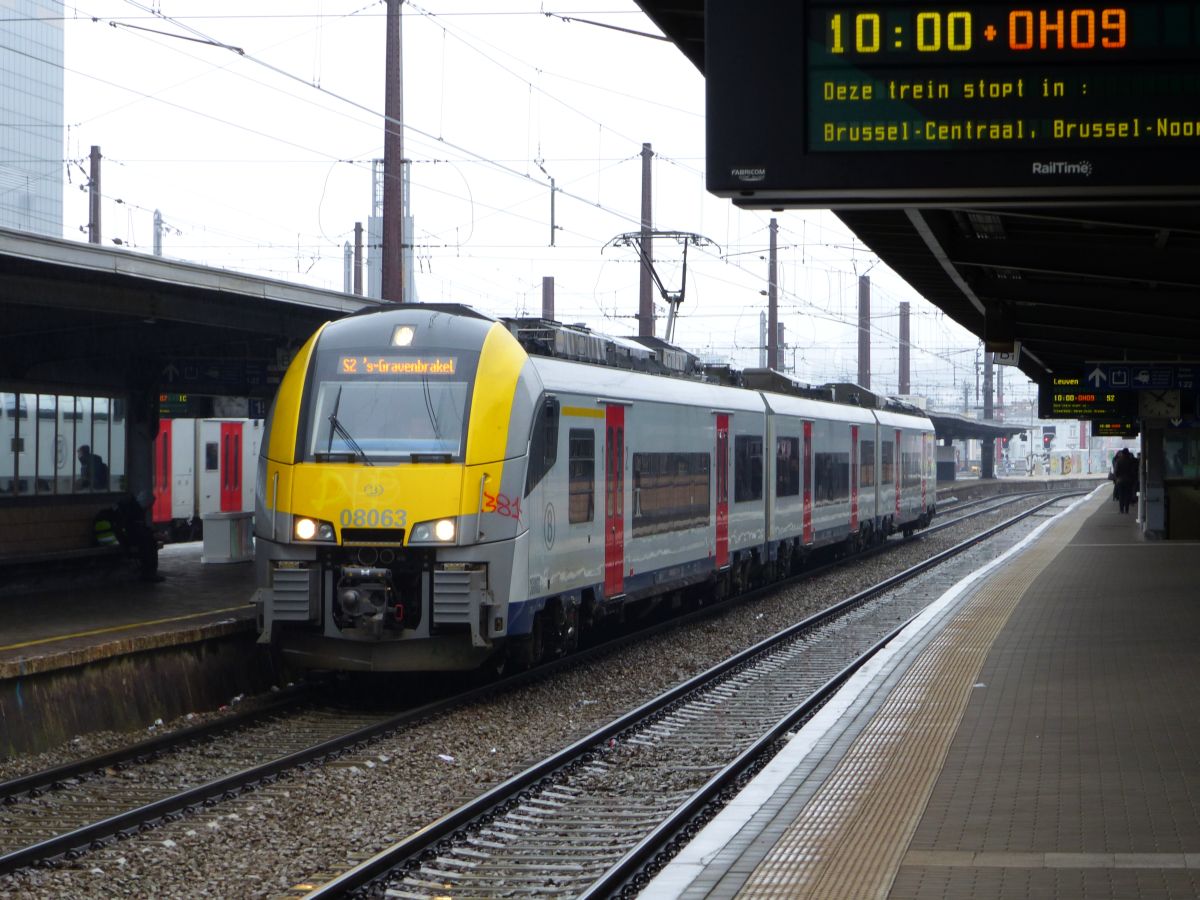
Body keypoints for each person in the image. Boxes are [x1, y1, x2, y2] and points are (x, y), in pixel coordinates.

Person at [93, 492, 162, 582]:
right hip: (116, 537)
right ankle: (148, 573)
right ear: (146, 503)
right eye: (150, 505)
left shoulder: (132, 506)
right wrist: (153, 534)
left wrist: (153, 533)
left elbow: (137, 528)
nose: (150, 508)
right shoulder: (134, 510)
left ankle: (149, 572)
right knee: (148, 542)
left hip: (119, 535)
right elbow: (134, 530)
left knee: (148, 540)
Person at [1113, 448, 1137, 515]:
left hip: (1120, 481)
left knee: (1121, 495)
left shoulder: (1119, 461)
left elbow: (1116, 471)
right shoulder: (1130, 461)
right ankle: (1126, 510)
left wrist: (1117, 478)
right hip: (1128, 481)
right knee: (1127, 495)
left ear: (1122, 453)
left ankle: (1121, 510)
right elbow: (1133, 471)